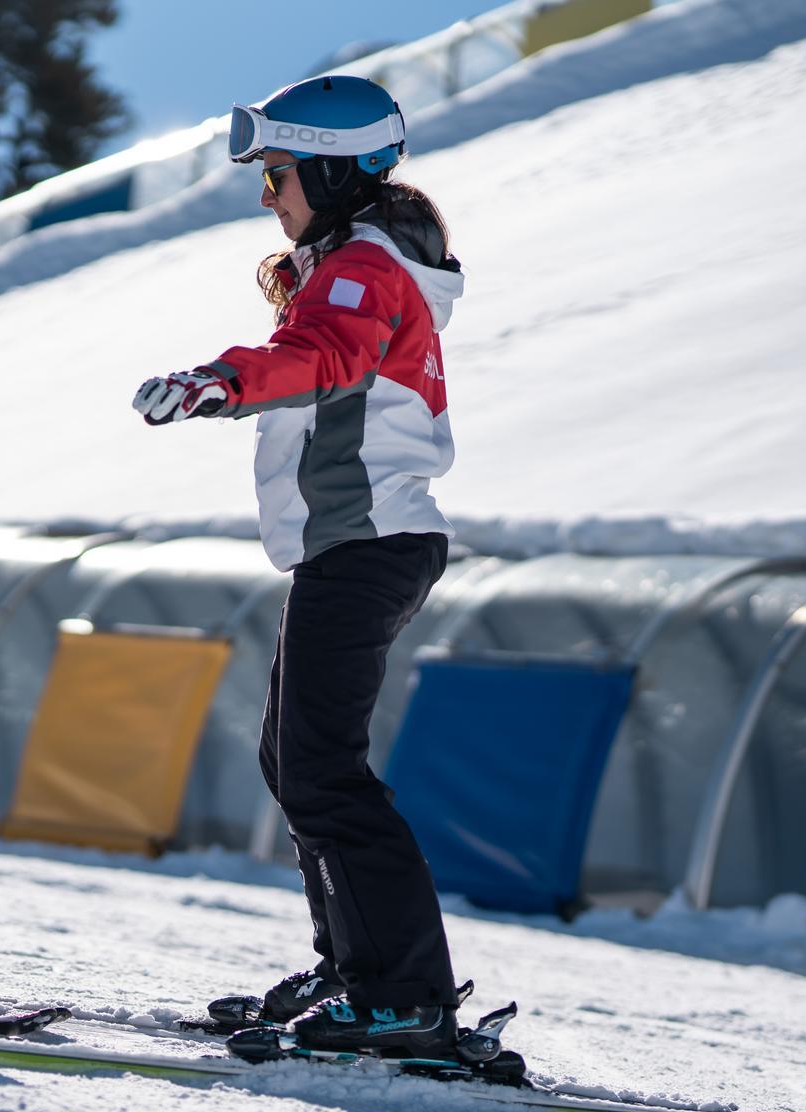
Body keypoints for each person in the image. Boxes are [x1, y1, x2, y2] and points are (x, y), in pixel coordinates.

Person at [132, 75, 468, 1058]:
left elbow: (322, 360)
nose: (265, 193)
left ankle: (404, 994)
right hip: (350, 549)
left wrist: (219, 380)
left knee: (325, 773)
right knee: (299, 765)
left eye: (277, 173)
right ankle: (356, 970)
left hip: (370, 544)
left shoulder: (363, 269)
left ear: (330, 167)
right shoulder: (348, 263)